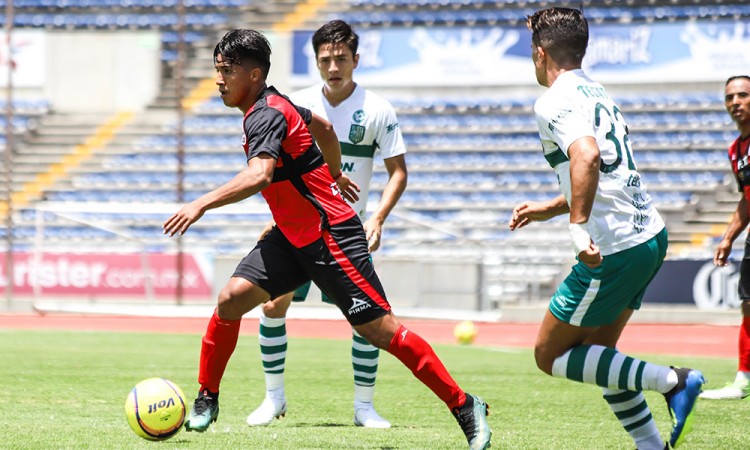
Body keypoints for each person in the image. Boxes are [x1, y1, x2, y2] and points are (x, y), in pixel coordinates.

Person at [162, 29, 491, 450]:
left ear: (254, 75)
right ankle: (208, 397)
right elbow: (324, 128)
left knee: (381, 332)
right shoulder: (278, 105)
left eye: (226, 71)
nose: (218, 80)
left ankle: (465, 405)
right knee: (231, 299)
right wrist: (333, 174)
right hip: (292, 235)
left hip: (330, 235)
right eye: (217, 70)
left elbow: (260, 174)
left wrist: (200, 204)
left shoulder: (266, 114)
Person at [509, 7, 704, 450]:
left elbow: (588, 157)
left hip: (614, 247)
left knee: (548, 354)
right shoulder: (597, 91)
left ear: (540, 53)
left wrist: (577, 227)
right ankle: (651, 445)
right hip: (648, 235)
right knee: (599, 353)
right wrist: (551, 208)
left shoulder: (553, 100)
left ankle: (674, 381)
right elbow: (603, 172)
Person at [245, 20, 407, 429]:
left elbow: (399, 172)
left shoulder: (378, 109)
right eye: (325, 60)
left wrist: (377, 218)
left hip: (347, 229)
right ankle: (274, 398)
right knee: (272, 304)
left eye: (341, 59)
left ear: (356, 59)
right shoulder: (296, 103)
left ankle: (364, 407)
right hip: (299, 227)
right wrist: (275, 222)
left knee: (368, 319)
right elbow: (276, 169)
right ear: (316, 62)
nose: (333, 67)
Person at [699, 75, 750, 400]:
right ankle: (743, 380)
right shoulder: (736, 149)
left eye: (743, 95)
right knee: (748, 304)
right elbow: (747, 199)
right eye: (730, 97)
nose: (736, 102)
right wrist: (728, 238)